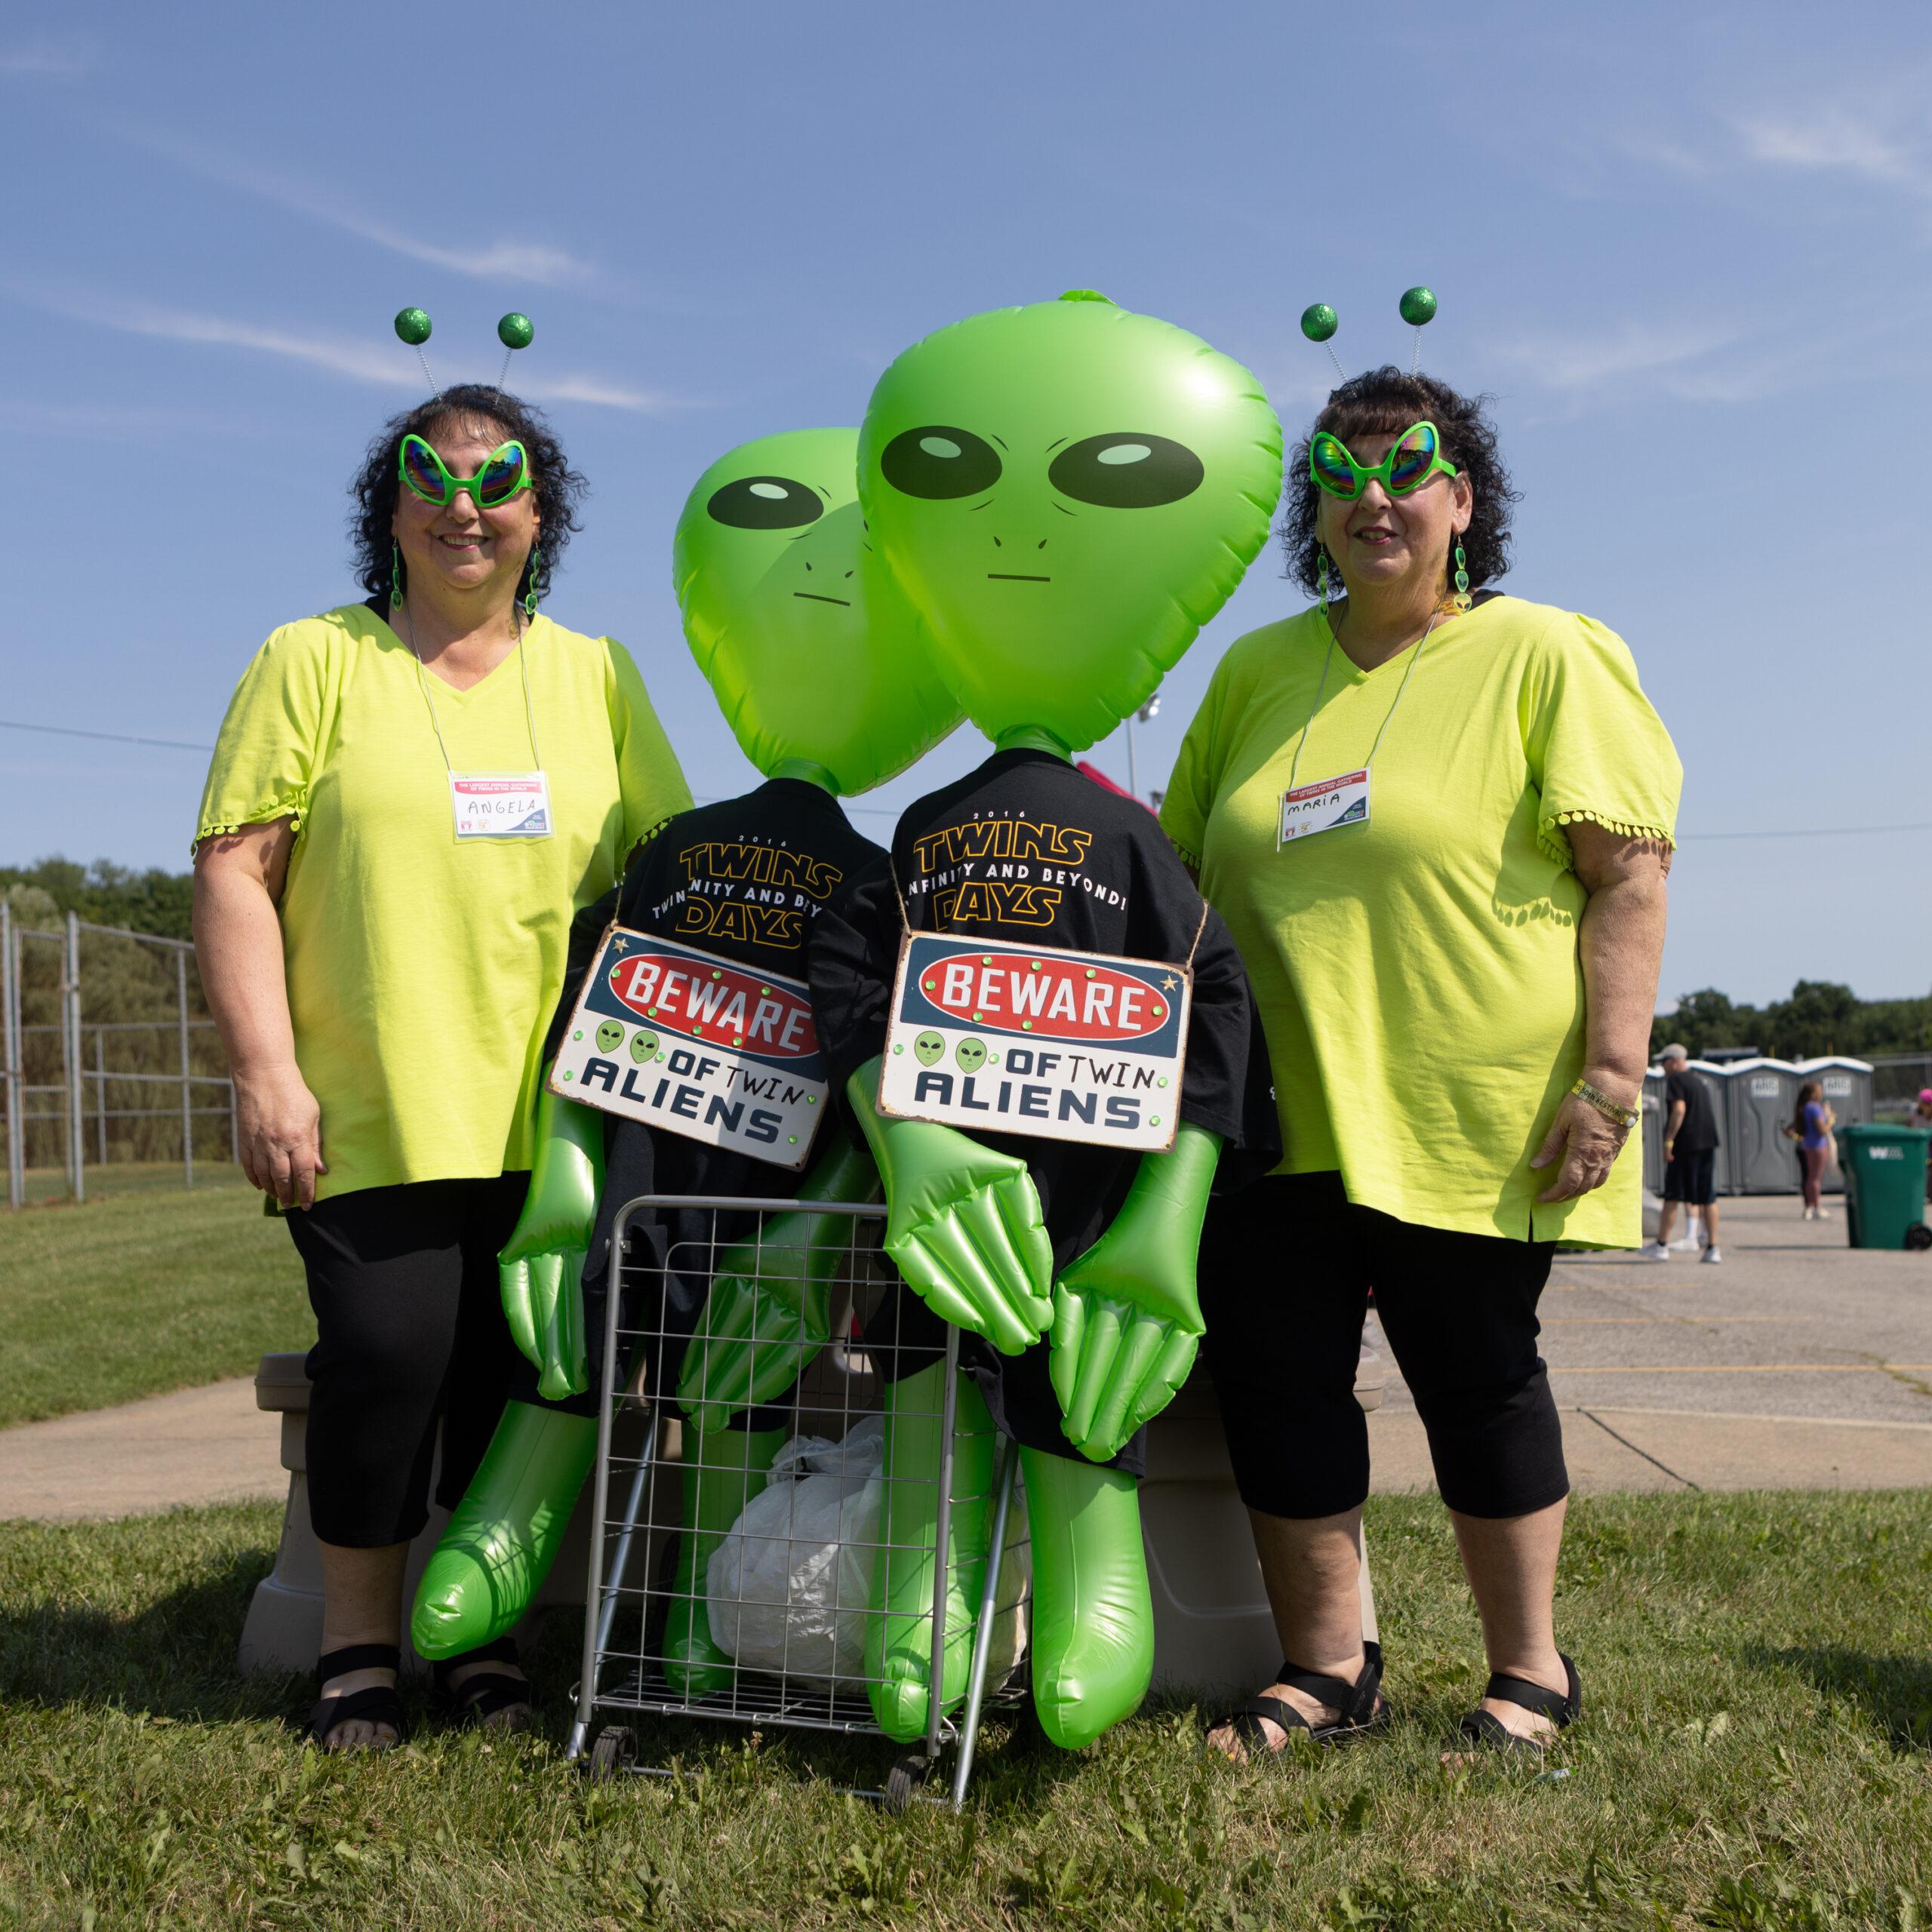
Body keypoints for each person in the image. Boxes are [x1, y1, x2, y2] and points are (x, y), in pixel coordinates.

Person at [1161, 364, 1681, 1758]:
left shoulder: (1543, 650)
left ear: (1464, 500)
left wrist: (1614, 1078)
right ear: (1313, 513)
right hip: (1276, 1104)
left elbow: (1626, 874)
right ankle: (1327, 1668)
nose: (1373, 496)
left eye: (1408, 470)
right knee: (1279, 1377)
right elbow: (1179, 867)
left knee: (1476, 1371)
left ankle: (1530, 1674)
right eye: (1340, 475)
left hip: (1472, 1103)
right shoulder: (1257, 670)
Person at [192, 383, 691, 1749]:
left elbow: (673, 874)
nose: (461, 501)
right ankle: (356, 1650)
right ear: (390, 504)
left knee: (508, 1377)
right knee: (386, 1361)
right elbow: (238, 870)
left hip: (564, 1126)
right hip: (374, 1109)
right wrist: (263, 1072)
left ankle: (474, 1644)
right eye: (428, 473)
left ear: (543, 510)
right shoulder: (317, 656)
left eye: (498, 477)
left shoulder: (596, 673)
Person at [1644, 1044, 1721, 1263]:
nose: (1663, 1067)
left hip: (1686, 1145)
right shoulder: (1698, 1081)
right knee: (1708, 1197)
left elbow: (1679, 1110)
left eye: (1665, 1062)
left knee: (1672, 1195)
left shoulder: (1676, 1080)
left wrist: (1669, 1140)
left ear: (1676, 1061)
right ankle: (1713, 1248)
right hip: (1707, 1143)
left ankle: (1661, 1245)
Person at [1789, 1079, 1835, 1220]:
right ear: (1814, 1094)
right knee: (1815, 1178)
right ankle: (1816, 1207)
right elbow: (1822, 1130)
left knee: (1811, 1178)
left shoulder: (1805, 1107)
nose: (1821, 1093)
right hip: (1818, 1146)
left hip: (1808, 1145)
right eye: (1819, 1091)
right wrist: (1831, 1119)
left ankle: (1810, 1206)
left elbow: (1792, 1130)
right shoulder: (1814, 1108)